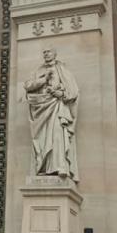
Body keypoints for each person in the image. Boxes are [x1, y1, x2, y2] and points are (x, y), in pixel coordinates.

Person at [23, 48, 80, 180]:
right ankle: (43, 167)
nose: (46, 54)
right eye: (44, 52)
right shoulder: (38, 71)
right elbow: (28, 86)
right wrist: (44, 79)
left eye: (49, 52)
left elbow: (73, 90)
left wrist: (62, 94)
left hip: (57, 106)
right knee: (42, 139)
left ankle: (60, 166)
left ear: (55, 54)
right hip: (41, 108)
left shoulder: (62, 69)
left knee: (57, 136)